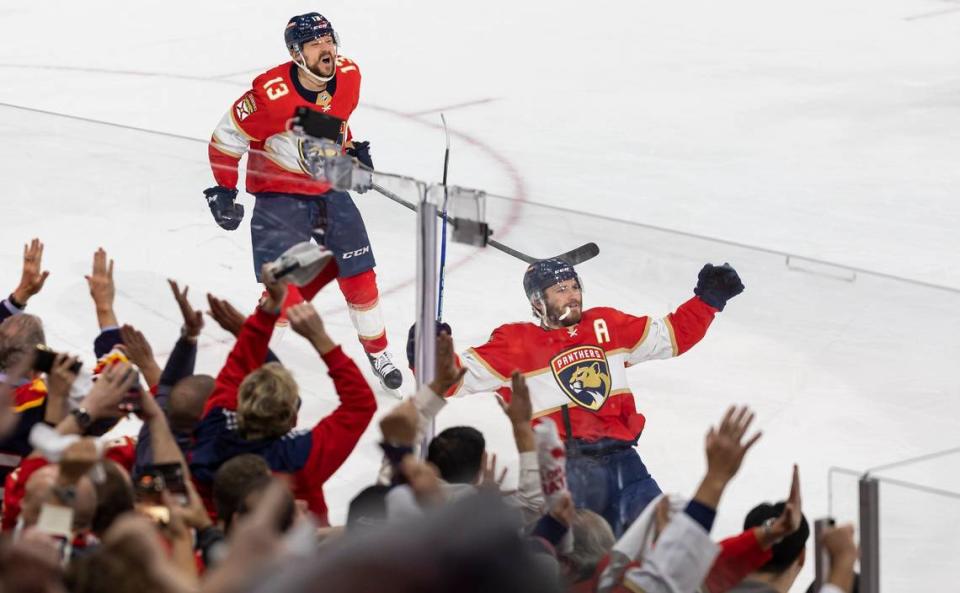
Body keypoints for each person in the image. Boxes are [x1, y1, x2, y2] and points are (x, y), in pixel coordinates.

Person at [415, 258, 744, 534]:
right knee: (581, 560)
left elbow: (670, 337)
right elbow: (452, 381)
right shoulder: (514, 342)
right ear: (536, 302)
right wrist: (428, 351)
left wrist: (707, 301)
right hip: (565, 471)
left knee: (661, 538)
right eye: (561, 290)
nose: (572, 296)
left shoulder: (607, 324)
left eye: (575, 287)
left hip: (623, 461)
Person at [204, 11, 402, 390]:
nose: (326, 49)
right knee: (283, 288)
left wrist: (351, 154)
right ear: (297, 54)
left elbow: (331, 121)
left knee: (361, 278)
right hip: (280, 196)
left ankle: (378, 352)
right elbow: (225, 139)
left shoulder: (349, 76)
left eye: (329, 40)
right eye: (316, 44)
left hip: (327, 189)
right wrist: (225, 190)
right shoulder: (269, 95)